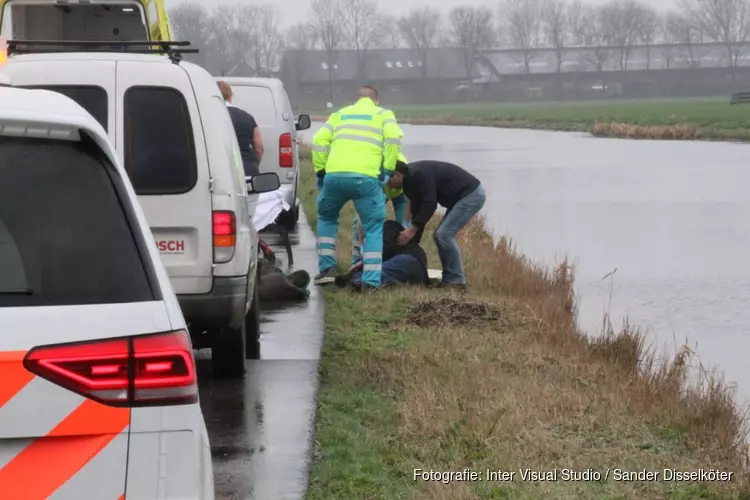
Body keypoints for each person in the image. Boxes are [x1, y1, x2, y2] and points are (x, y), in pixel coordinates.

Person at [311, 85, 403, 289]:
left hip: (334, 177)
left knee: (326, 217)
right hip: (366, 179)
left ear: (356, 99)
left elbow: (318, 140)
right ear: (376, 101)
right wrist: (387, 171)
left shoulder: (339, 115)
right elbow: (394, 139)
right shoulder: (384, 114)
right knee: (372, 227)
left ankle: (327, 269)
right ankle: (370, 281)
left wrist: (321, 171)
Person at [387, 159, 486, 288]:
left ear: (397, 174)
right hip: (458, 198)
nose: (388, 185)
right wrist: (413, 241)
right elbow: (418, 209)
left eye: (388, 180)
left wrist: (412, 229)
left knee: (443, 234)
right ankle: (449, 278)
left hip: (471, 194)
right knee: (440, 235)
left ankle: (456, 281)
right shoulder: (408, 182)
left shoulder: (419, 174)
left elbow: (430, 203)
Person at [350, 152, 410, 269]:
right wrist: (362, 244)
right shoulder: (371, 177)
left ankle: (400, 261)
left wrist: (407, 225)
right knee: (363, 221)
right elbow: (362, 216)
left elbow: (410, 201)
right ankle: (357, 261)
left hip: (400, 191)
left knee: (403, 229)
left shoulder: (404, 172)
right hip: (381, 189)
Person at [337, 220, 429, 290]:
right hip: (413, 274)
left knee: (376, 271)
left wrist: (366, 262)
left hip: (411, 260)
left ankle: (356, 281)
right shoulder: (376, 236)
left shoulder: (389, 225)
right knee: (381, 271)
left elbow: (387, 248)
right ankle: (354, 279)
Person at [217, 80, 264, 215]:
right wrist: (253, 164)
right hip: (248, 174)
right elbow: (259, 147)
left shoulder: (208, 116)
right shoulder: (247, 117)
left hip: (220, 177)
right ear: (230, 96)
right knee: (248, 218)